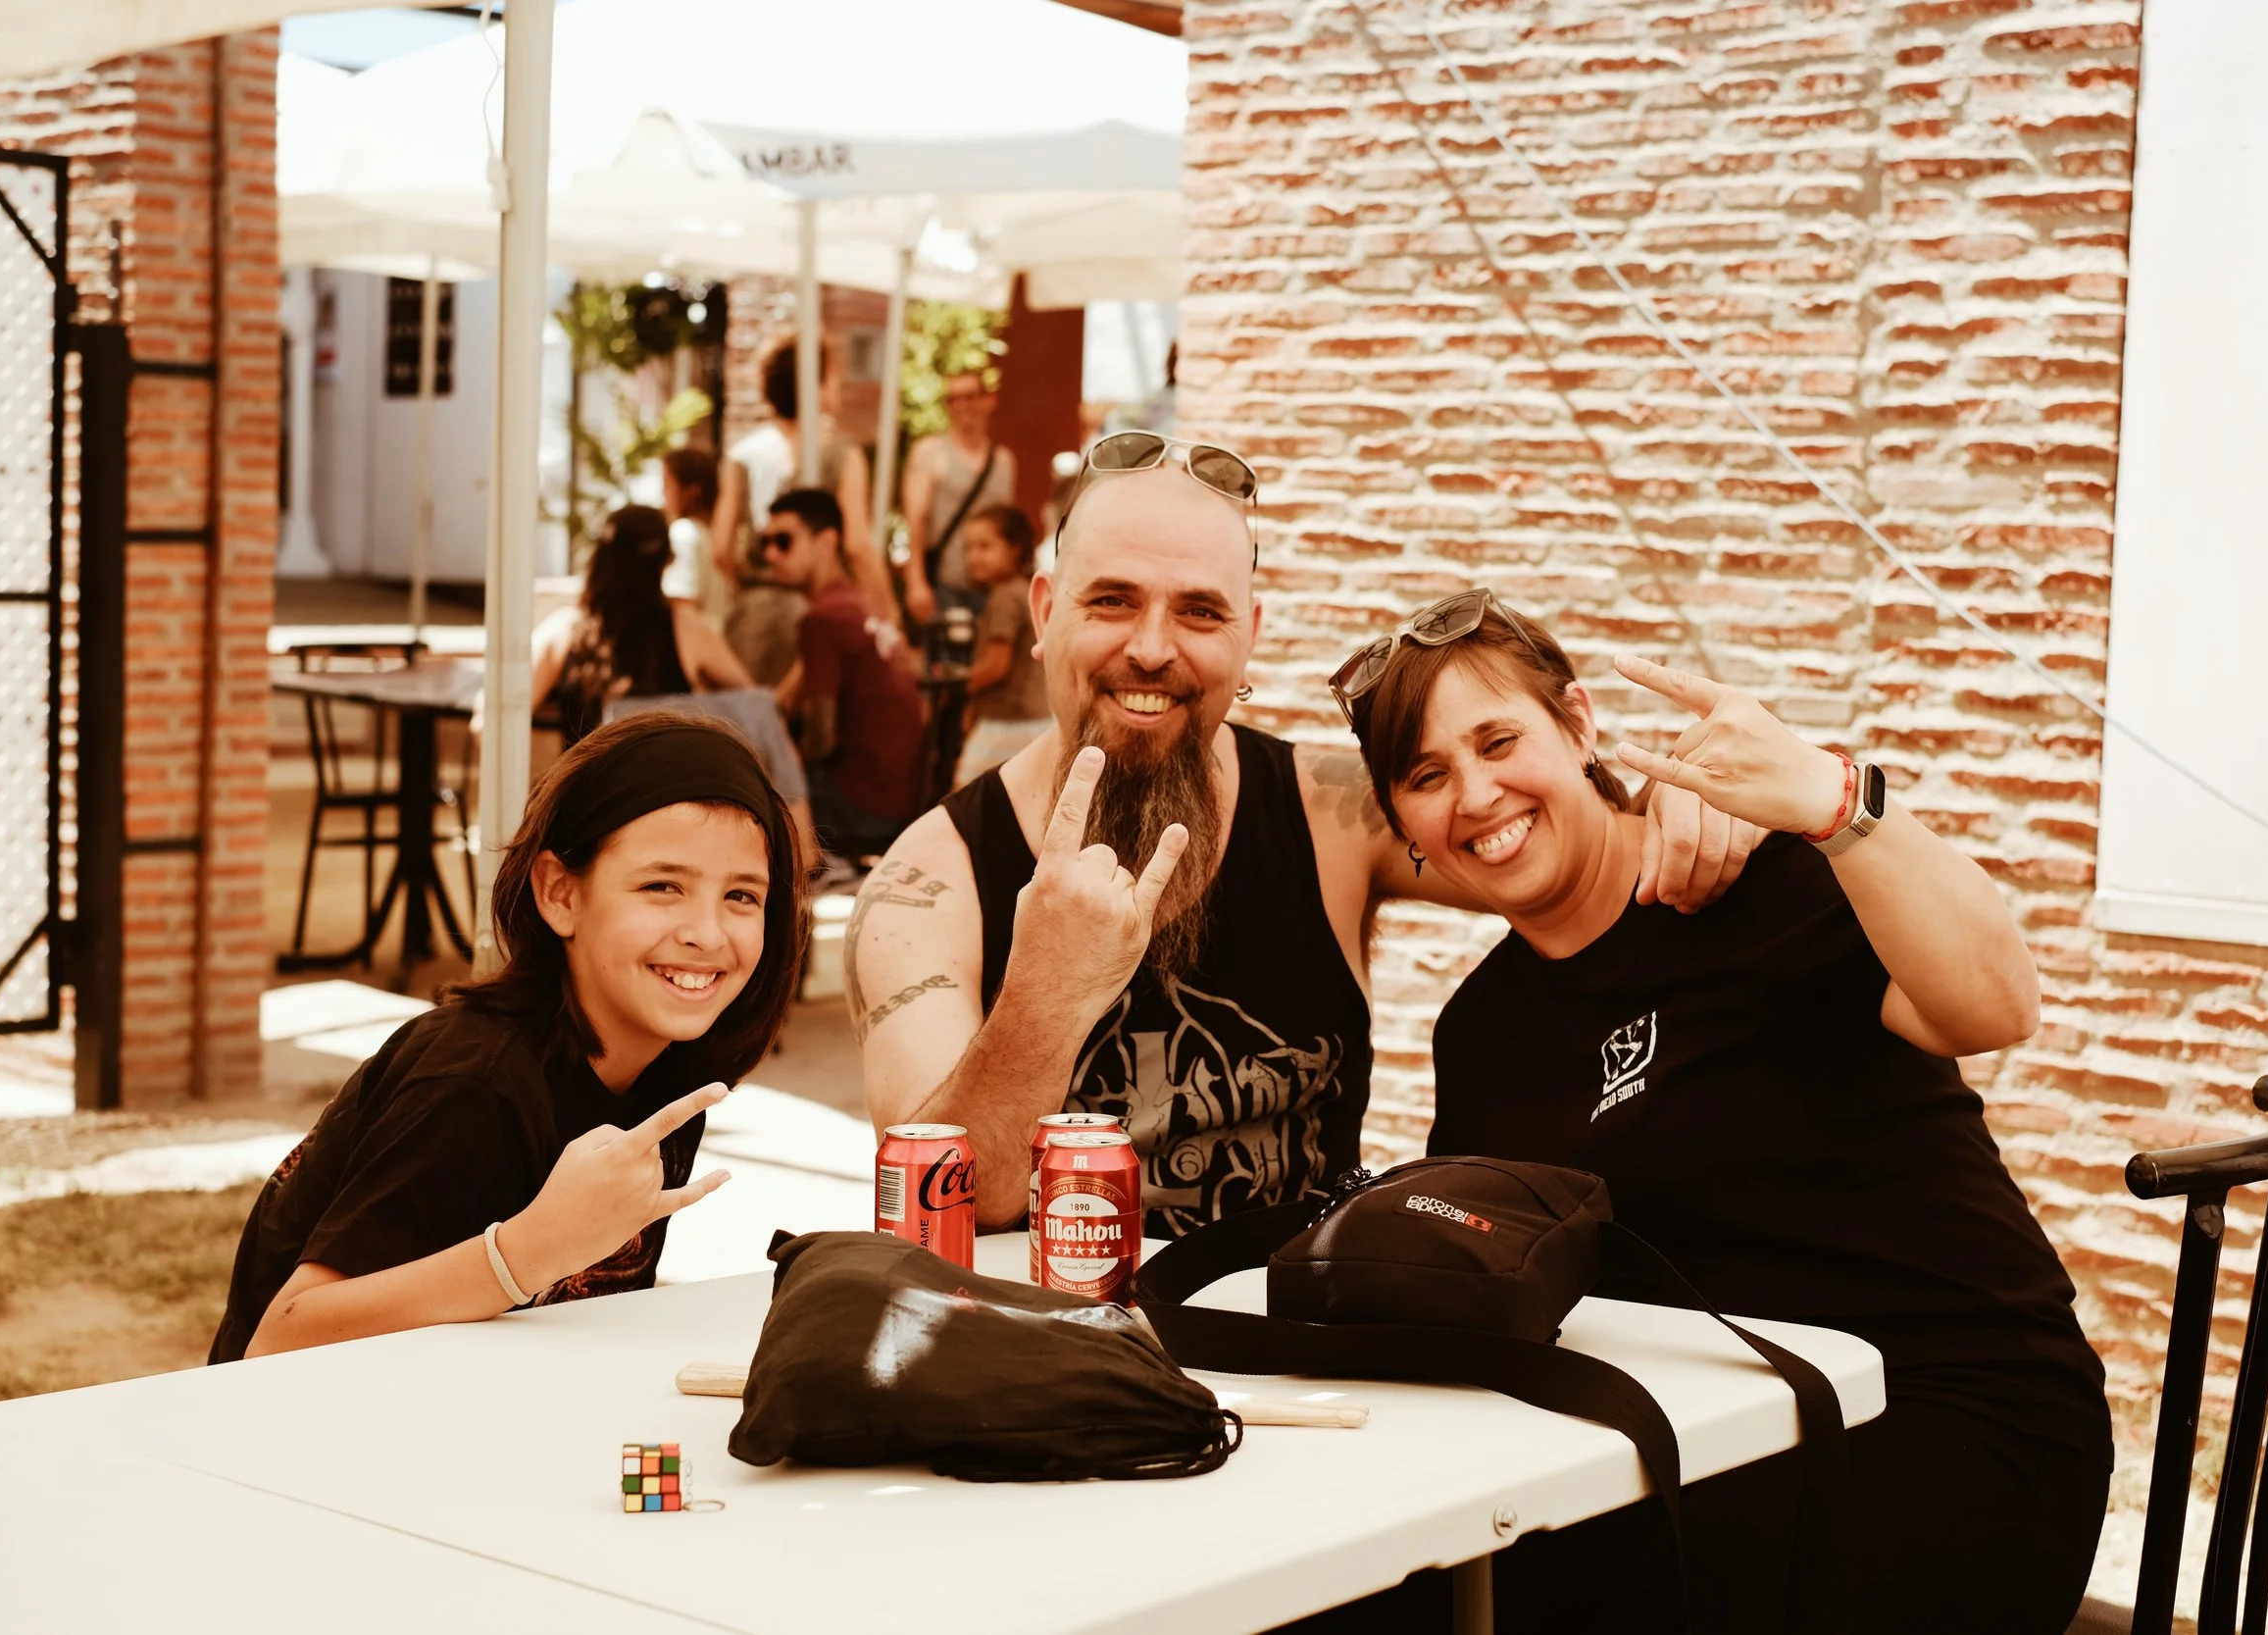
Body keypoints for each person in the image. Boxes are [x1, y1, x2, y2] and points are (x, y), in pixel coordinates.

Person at [1337, 590, 2111, 1633]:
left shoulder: (1768, 881)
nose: (1476, 794)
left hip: (1955, 1414)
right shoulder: (1480, 1031)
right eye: (1426, 776)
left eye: (1498, 740)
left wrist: (1835, 801)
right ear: (1403, 824)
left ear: (1577, 724)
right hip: (1716, 1443)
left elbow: (1997, 1006)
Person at [848, 431, 1760, 1235]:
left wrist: (1693, 796)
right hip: (1050, 1352)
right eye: (1113, 601)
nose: (1154, 648)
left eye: (1200, 611)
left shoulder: (1331, 812)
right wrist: (1044, 992)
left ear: (1248, 634)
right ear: (1045, 611)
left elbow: (1565, 846)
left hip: (1305, 1345)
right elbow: (935, 1211)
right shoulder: (930, 880)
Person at [211, 712, 805, 1361]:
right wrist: (525, 1253)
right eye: (662, 886)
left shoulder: (669, 1069)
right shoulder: (474, 1085)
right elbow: (279, 1341)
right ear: (560, 893)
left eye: (742, 896)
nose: (707, 933)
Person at [763, 486, 925, 863]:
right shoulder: (859, 601)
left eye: (784, 541)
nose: (771, 554)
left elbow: (821, 739)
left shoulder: (824, 618)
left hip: (861, 805)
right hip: (901, 795)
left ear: (826, 541)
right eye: (765, 543)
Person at [710, 337, 893, 651]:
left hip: (753, 617)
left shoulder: (743, 455)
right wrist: (888, 610)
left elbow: (721, 549)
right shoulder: (841, 454)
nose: (838, 388)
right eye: (833, 378)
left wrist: (751, 586)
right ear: (815, 386)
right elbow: (858, 546)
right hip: (820, 613)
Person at [531, 505, 755, 746]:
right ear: (665, 563)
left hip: (588, 770)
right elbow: (752, 701)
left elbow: (507, 707)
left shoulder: (566, 628)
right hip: (668, 769)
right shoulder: (684, 626)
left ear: (600, 559)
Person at [899, 368, 1017, 624]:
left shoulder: (1003, 461)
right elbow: (916, 519)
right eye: (953, 399)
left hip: (990, 589)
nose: (962, 406)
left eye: (969, 397)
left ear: (988, 400)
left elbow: (1006, 528)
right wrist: (915, 581)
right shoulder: (929, 453)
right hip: (945, 584)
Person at [949, 503, 1049, 791]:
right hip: (1035, 719)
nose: (973, 557)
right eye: (969, 548)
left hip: (1006, 724)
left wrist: (960, 687)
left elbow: (996, 664)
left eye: (985, 547)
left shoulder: (1005, 598)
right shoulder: (1025, 591)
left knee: (962, 799)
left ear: (1014, 549)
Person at [659, 446, 728, 632]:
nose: (663, 493)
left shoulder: (683, 533)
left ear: (692, 490)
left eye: (667, 484)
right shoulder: (712, 534)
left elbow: (681, 604)